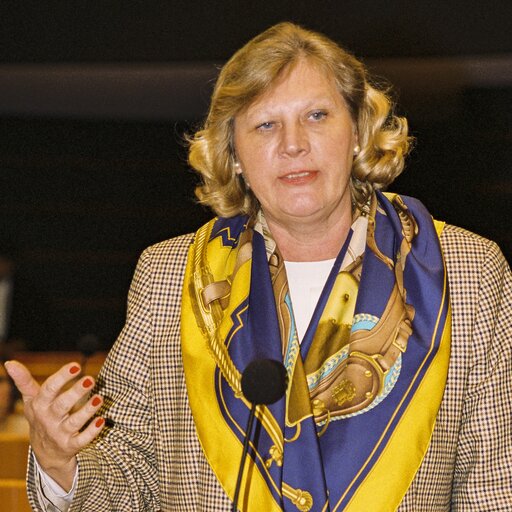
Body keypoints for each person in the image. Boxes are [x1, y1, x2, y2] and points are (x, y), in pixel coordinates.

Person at [4, 22, 512, 511]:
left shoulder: (465, 270)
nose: (292, 143)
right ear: (235, 154)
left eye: (316, 116)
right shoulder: (170, 274)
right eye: (265, 124)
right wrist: (57, 458)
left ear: (358, 131)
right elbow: (128, 477)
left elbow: (495, 484)